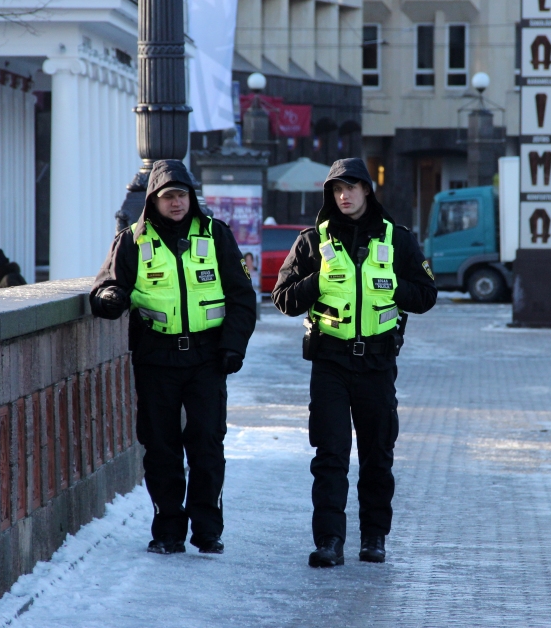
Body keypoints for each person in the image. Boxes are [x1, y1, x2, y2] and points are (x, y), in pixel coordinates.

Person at [272, 158, 437, 567]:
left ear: (367, 190)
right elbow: (283, 298)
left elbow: (427, 295)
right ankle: (329, 541)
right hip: (329, 362)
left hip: (378, 365)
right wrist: (317, 282)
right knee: (330, 455)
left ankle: (374, 538)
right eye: (336, 189)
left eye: (351, 187)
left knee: (377, 454)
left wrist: (394, 286)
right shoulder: (313, 241)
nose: (343, 195)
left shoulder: (396, 239)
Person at [89, 159, 256, 555]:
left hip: (207, 358)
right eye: (168, 197)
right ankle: (168, 530)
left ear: (191, 198)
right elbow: (104, 288)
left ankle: (207, 530)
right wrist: (111, 298)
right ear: (154, 201)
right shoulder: (133, 240)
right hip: (155, 357)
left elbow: (241, 298)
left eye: (182, 195)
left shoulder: (216, 235)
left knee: (207, 445)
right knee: (161, 448)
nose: (176, 203)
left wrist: (233, 346)